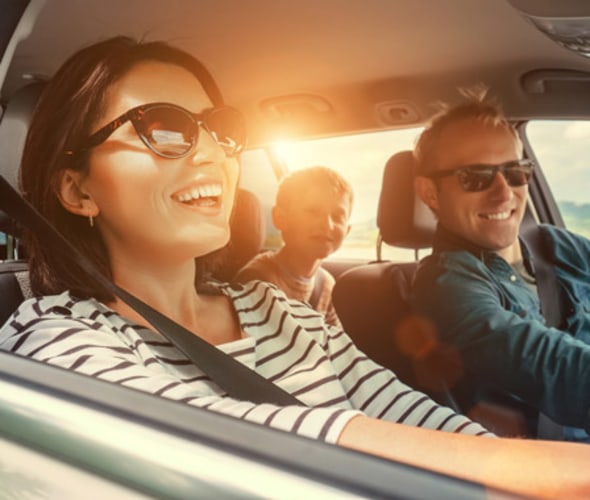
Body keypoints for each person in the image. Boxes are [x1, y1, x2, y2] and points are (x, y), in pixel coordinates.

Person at [0, 37, 589, 498]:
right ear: (78, 190)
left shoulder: (276, 309)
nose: (213, 151)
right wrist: (535, 471)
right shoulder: (52, 336)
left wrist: (516, 478)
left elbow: (396, 407)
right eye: (164, 129)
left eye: (219, 129)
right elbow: (212, 435)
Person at [412, 89, 590, 443]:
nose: (504, 193)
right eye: (475, 177)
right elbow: (546, 362)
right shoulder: (445, 284)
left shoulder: (555, 245)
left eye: (515, 172)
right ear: (430, 193)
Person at [234, 166, 352, 327]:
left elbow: (335, 342)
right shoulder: (257, 281)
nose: (328, 225)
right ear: (280, 218)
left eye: (338, 216)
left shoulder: (325, 283)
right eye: (313, 211)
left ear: (348, 230)